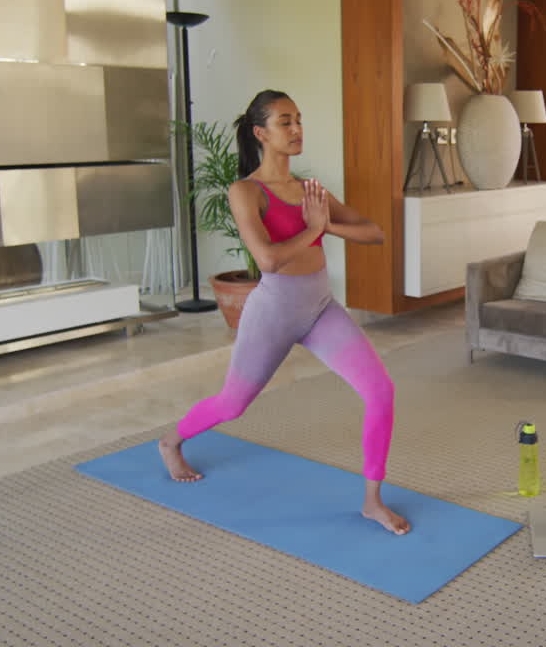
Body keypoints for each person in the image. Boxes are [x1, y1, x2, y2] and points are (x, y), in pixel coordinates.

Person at [159, 89, 409, 536]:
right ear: (261, 133)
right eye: (284, 122)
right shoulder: (245, 191)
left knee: (380, 391)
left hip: (319, 308)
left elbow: (375, 233)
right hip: (273, 311)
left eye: (299, 120)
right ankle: (171, 441)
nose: (296, 130)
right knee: (233, 405)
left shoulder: (310, 191)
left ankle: (372, 501)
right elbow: (269, 260)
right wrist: (314, 229)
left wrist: (326, 223)